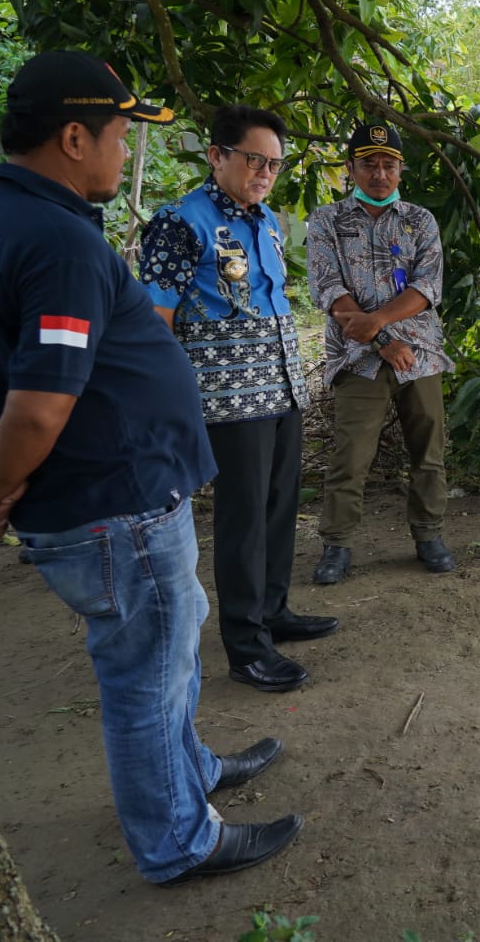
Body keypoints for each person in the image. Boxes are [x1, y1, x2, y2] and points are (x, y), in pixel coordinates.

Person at [0, 50, 301, 885]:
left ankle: (189, 771)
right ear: (73, 137)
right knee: (145, 674)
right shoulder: (57, 240)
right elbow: (41, 404)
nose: (126, 151)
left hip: (117, 488)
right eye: (120, 134)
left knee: (168, 650)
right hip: (114, 496)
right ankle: (178, 841)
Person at [139, 104, 338, 693]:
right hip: (228, 400)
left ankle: (273, 612)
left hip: (282, 391)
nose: (265, 173)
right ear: (217, 155)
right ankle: (246, 647)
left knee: (279, 509)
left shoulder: (267, 220)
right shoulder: (181, 222)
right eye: (255, 160)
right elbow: (155, 322)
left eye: (274, 164)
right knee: (243, 521)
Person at [305, 122, 456, 583]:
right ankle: (337, 544)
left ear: (400, 170)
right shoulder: (327, 220)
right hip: (358, 357)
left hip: (419, 354)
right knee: (350, 456)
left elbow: (428, 287)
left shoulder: (419, 220)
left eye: (388, 164)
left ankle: (428, 535)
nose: (379, 173)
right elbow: (328, 289)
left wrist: (380, 323)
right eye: (369, 163)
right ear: (350, 168)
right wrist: (380, 341)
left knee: (428, 451)